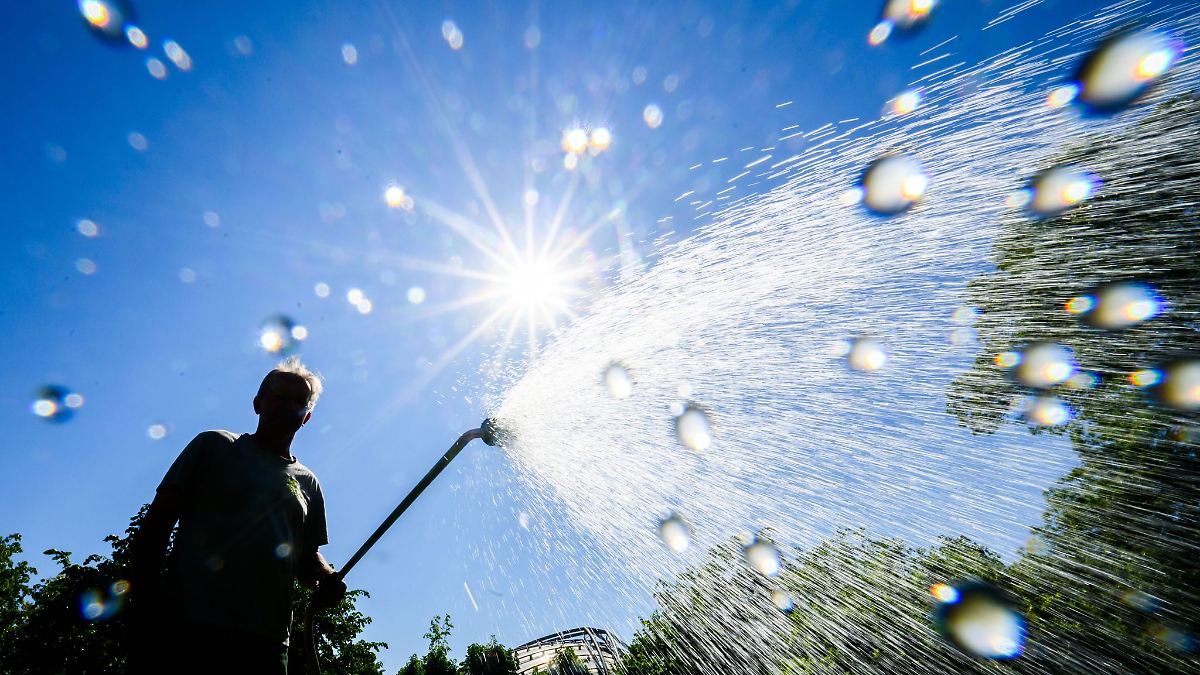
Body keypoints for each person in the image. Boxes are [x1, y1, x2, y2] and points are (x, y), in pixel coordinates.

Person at [130, 356, 346, 674]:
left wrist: (327, 577)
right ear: (258, 403)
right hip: (188, 627)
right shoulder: (213, 446)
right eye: (278, 397)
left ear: (306, 417)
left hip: (267, 643)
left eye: (297, 401)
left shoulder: (308, 483)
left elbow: (306, 555)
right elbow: (156, 526)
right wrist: (145, 607)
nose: (287, 405)